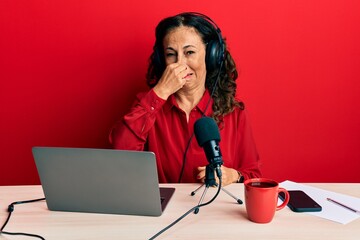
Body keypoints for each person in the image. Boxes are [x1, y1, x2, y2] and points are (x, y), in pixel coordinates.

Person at [109, 12, 261, 186]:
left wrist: (233, 176)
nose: (179, 64)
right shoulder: (146, 105)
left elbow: (255, 176)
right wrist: (160, 92)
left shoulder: (234, 113)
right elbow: (120, 154)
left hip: (216, 210)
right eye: (171, 54)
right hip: (166, 211)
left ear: (211, 56)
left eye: (189, 52)